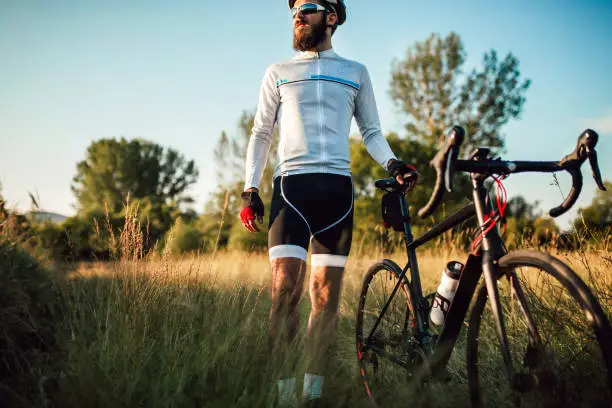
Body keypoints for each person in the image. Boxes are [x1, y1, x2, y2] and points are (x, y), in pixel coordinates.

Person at [240, 0, 417, 404]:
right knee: (284, 292)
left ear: (332, 17)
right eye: (295, 10)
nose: (298, 15)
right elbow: (261, 133)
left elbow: (371, 130)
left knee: (324, 301)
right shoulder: (278, 73)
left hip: (336, 193)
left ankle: (313, 395)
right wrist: (250, 187)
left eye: (309, 7)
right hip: (292, 192)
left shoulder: (355, 73)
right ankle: (285, 396)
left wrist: (393, 162)